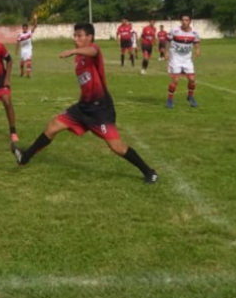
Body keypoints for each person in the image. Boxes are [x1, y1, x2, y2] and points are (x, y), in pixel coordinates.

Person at [10, 22, 158, 184]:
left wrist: (73, 50)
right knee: (53, 126)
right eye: (74, 35)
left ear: (89, 37)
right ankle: (25, 157)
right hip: (83, 107)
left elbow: (93, 51)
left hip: (100, 109)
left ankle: (149, 172)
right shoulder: (79, 58)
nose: (76, 38)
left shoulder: (94, 50)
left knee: (117, 147)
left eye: (79, 35)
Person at [166, 15, 201, 108]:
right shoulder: (175, 31)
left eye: (186, 20)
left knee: (192, 80)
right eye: (183, 20)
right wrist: (166, 52)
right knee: (176, 80)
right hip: (175, 58)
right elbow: (167, 41)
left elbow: (196, 42)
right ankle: (170, 99)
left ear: (190, 21)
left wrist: (197, 50)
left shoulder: (194, 32)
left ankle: (190, 96)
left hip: (187, 59)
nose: (184, 22)